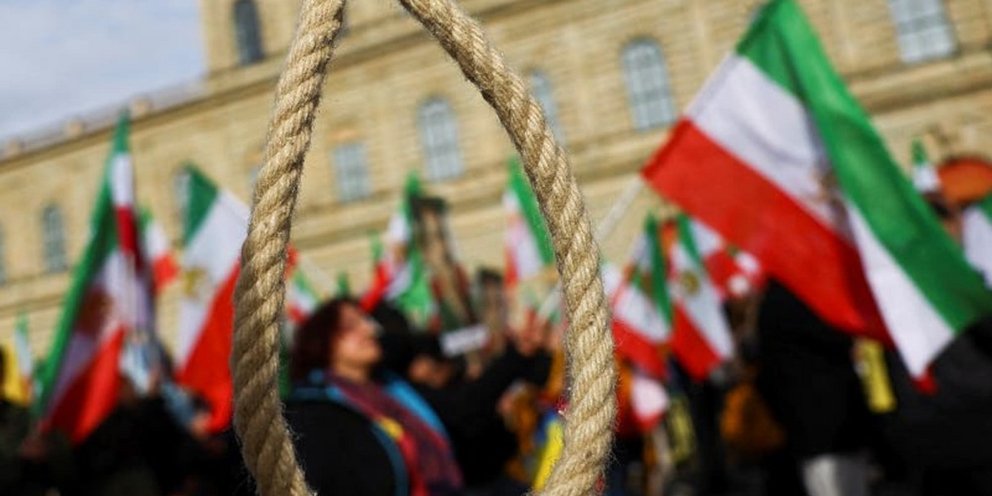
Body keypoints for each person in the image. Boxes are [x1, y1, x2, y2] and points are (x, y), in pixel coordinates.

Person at [285, 298, 463, 495]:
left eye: (366, 320)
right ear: (323, 341)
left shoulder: (392, 387)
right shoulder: (315, 412)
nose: (370, 329)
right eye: (351, 326)